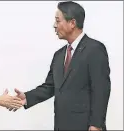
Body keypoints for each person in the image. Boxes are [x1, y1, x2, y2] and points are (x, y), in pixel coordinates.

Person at [11, 1, 111, 131]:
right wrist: (27, 97)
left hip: (86, 126)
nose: (54, 25)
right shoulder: (59, 55)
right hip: (61, 125)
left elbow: (101, 89)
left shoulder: (95, 49)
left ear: (72, 23)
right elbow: (50, 86)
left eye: (58, 21)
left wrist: (96, 125)